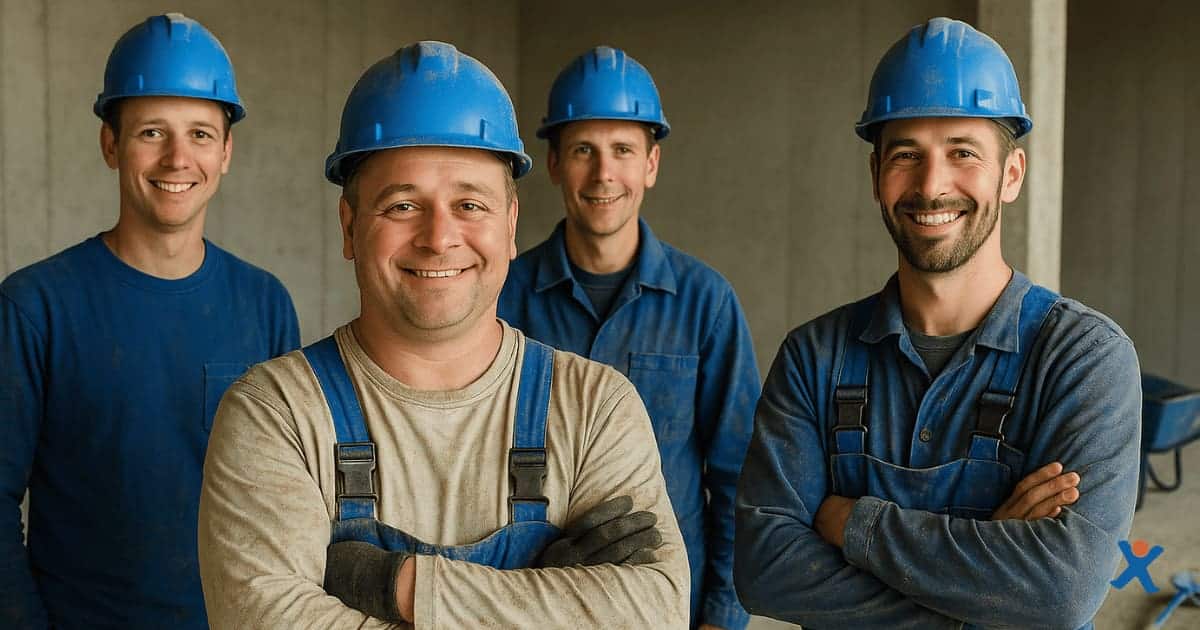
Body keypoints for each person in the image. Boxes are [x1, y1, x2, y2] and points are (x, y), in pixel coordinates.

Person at [197, 41, 689, 628]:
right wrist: (542, 597)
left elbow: (654, 612)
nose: (438, 237)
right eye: (403, 205)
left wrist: (397, 584)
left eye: (469, 204)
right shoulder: (274, 414)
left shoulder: (596, 408)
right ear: (350, 227)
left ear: (509, 226)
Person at [734, 17, 1140, 630]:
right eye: (906, 155)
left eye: (962, 153)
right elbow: (765, 569)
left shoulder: (1083, 357)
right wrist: (989, 577)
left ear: (1011, 175)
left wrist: (851, 522)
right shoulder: (814, 357)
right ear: (876, 178)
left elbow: (1062, 591)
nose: (931, 185)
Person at [0, 13, 299, 629]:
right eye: (151, 133)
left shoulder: (265, 303)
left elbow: (288, 501)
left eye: (200, 134)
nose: (177, 158)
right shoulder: (34, 306)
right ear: (111, 144)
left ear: (227, 152)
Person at [499, 46, 759, 630]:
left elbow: (740, 480)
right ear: (555, 162)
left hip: (666, 607)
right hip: (530, 604)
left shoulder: (705, 303)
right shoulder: (502, 296)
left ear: (651, 164)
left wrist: (722, 615)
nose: (603, 174)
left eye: (622, 150)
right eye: (584, 150)